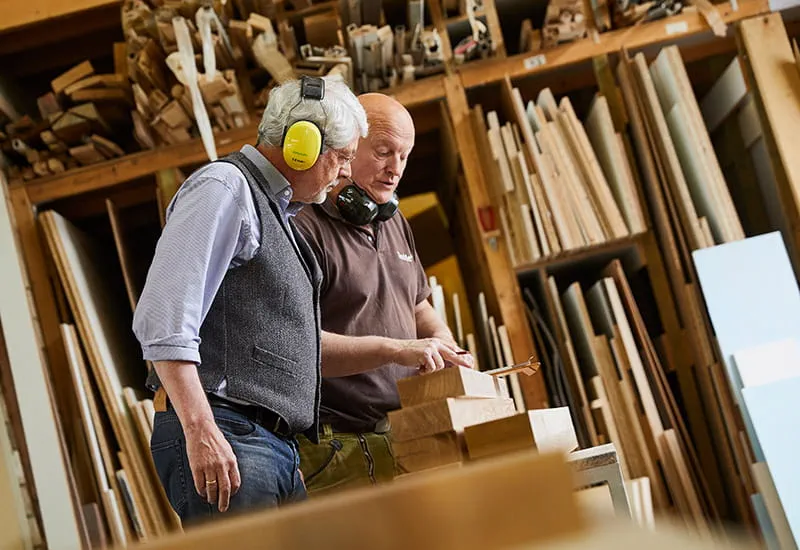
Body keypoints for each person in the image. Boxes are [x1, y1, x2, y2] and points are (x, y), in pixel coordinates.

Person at [132, 75, 368, 525]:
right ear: (303, 143)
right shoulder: (225, 188)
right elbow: (164, 318)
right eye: (342, 157)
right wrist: (201, 430)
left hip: (259, 443)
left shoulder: (274, 212)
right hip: (227, 432)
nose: (346, 173)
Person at [292, 93, 474, 496]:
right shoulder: (302, 228)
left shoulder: (392, 219)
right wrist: (397, 349)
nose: (395, 170)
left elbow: (417, 304)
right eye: (383, 152)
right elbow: (300, 347)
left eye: (404, 156)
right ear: (348, 145)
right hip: (338, 446)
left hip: (409, 429)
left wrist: (443, 344)